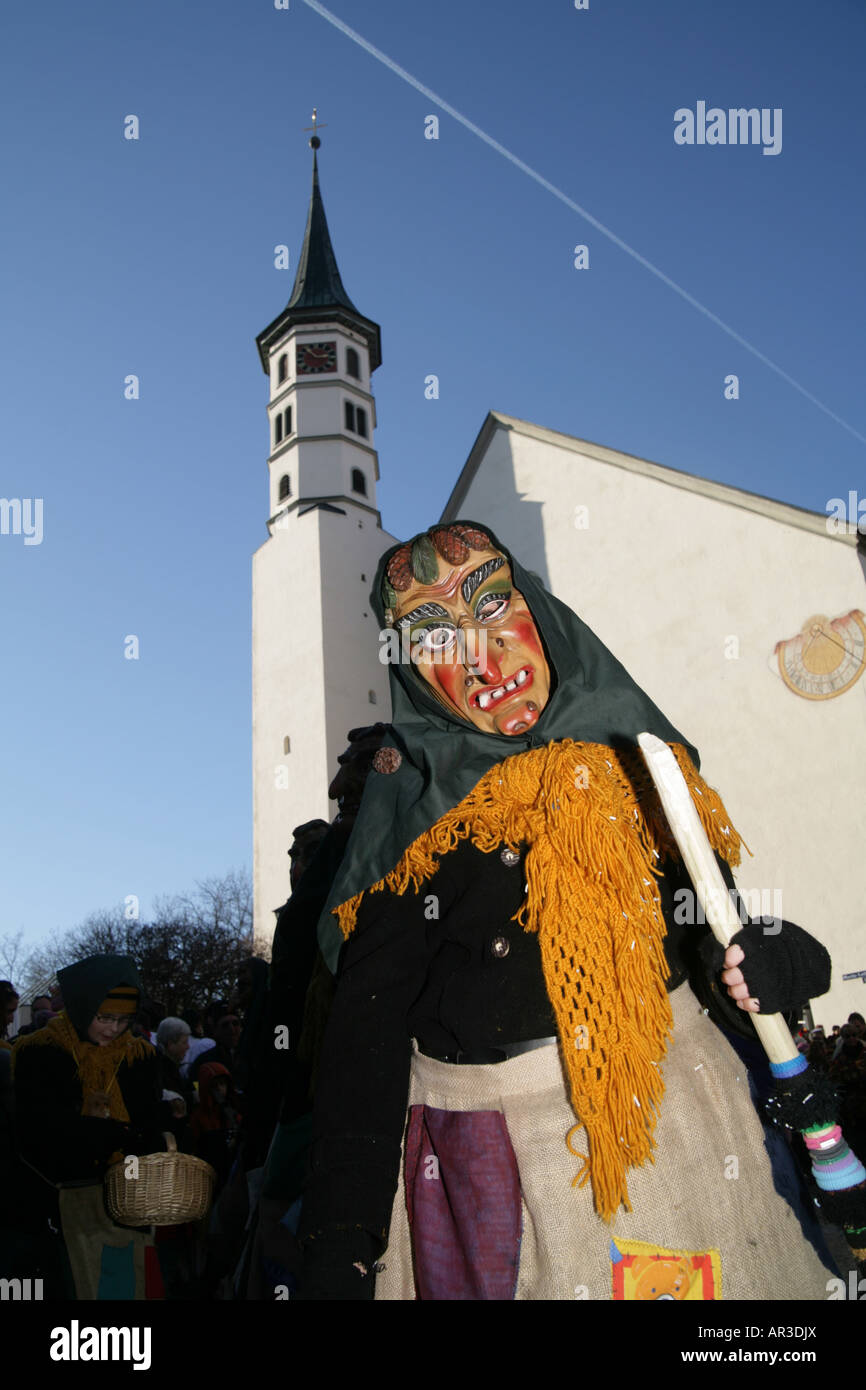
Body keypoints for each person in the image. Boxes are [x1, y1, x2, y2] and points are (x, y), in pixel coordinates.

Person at [297, 520, 834, 1302]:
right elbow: (365, 1038)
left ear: (538, 611)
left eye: (490, 604)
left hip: (689, 1128)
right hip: (501, 1174)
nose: (480, 657)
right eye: (433, 637)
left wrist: (782, 957)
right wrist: (341, 1242)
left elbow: (720, 938)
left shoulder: (642, 765)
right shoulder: (409, 823)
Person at [13, 953, 167, 1299]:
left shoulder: (142, 1058)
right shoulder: (39, 1052)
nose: (113, 1029)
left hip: (128, 1206)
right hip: (60, 1210)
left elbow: (150, 1123)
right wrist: (109, 1136)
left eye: (123, 1019)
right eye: (104, 1017)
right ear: (83, 1006)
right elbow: (38, 1133)